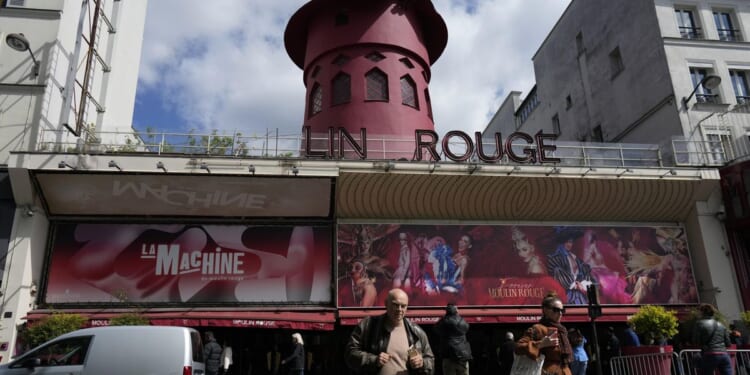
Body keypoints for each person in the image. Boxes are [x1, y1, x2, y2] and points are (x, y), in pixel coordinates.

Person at [345, 288, 435, 374]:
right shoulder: (369, 325)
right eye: (395, 305)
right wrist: (373, 360)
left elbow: (431, 362)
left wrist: (422, 363)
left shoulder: (416, 332)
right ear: (386, 304)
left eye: (403, 306)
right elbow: (350, 354)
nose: (399, 309)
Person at [515, 291, 573, 375]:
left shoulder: (562, 330)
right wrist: (541, 344)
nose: (560, 313)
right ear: (545, 310)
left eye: (562, 310)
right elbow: (518, 348)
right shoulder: (537, 328)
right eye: (556, 310)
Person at [546, 228, 593, 305]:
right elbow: (556, 274)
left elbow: (586, 273)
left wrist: (582, 285)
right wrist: (574, 285)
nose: (569, 244)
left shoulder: (576, 259)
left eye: (571, 242)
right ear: (561, 243)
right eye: (566, 242)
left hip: (579, 296)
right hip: (564, 295)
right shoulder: (555, 259)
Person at [692, 303, 731, 375]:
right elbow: (728, 343)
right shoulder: (721, 324)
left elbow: (696, 341)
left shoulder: (699, 323)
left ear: (702, 312)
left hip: (710, 354)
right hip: (724, 355)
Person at [434, 303, 472, 375]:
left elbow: (436, 329)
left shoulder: (444, 321)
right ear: (456, 311)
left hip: (448, 355)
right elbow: (467, 328)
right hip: (462, 355)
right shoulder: (462, 321)